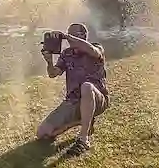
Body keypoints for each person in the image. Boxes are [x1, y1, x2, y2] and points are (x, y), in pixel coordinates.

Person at [37, 23, 108, 156]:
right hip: (73, 101)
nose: (70, 38)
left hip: (97, 99)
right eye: (69, 34)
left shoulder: (96, 48)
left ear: (84, 36)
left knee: (86, 86)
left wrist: (67, 36)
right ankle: (82, 121)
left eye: (75, 35)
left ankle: (83, 140)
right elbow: (53, 73)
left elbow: (93, 51)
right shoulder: (66, 54)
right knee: (43, 133)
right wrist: (49, 61)